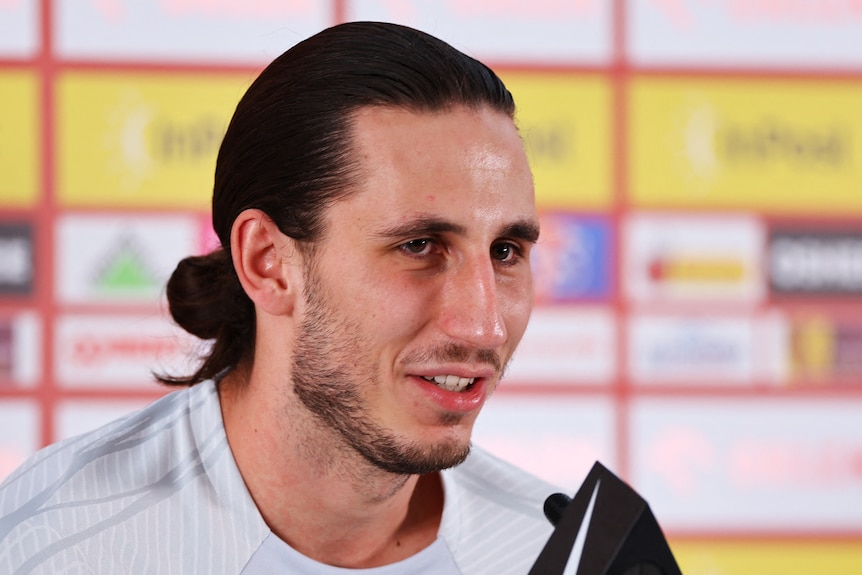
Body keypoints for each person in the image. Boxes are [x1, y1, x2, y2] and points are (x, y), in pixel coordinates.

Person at [0, 21, 558, 573]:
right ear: (267, 262)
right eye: (418, 246)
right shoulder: (57, 545)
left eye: (506, 251)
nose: (484, 327)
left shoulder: (554, 547)